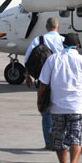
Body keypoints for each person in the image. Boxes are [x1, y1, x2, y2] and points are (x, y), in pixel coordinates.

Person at [38, 33, 82, 163]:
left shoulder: (53, 59)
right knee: (76, 138)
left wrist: (39, 102)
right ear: (78, 46)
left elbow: (43, 83)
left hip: (57, 108)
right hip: (76, 108)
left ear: (63, 45)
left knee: (59, 140)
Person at [24, 17, 65, 150]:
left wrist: (27, 76)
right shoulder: (63, 40)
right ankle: (61, 140)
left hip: (44, 80)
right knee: (61, 111)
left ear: (46, 27)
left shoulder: (38, 40)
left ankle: (49, 142)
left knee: (46, 111)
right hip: (61, 81)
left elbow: (27, 58)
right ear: (58, 27)